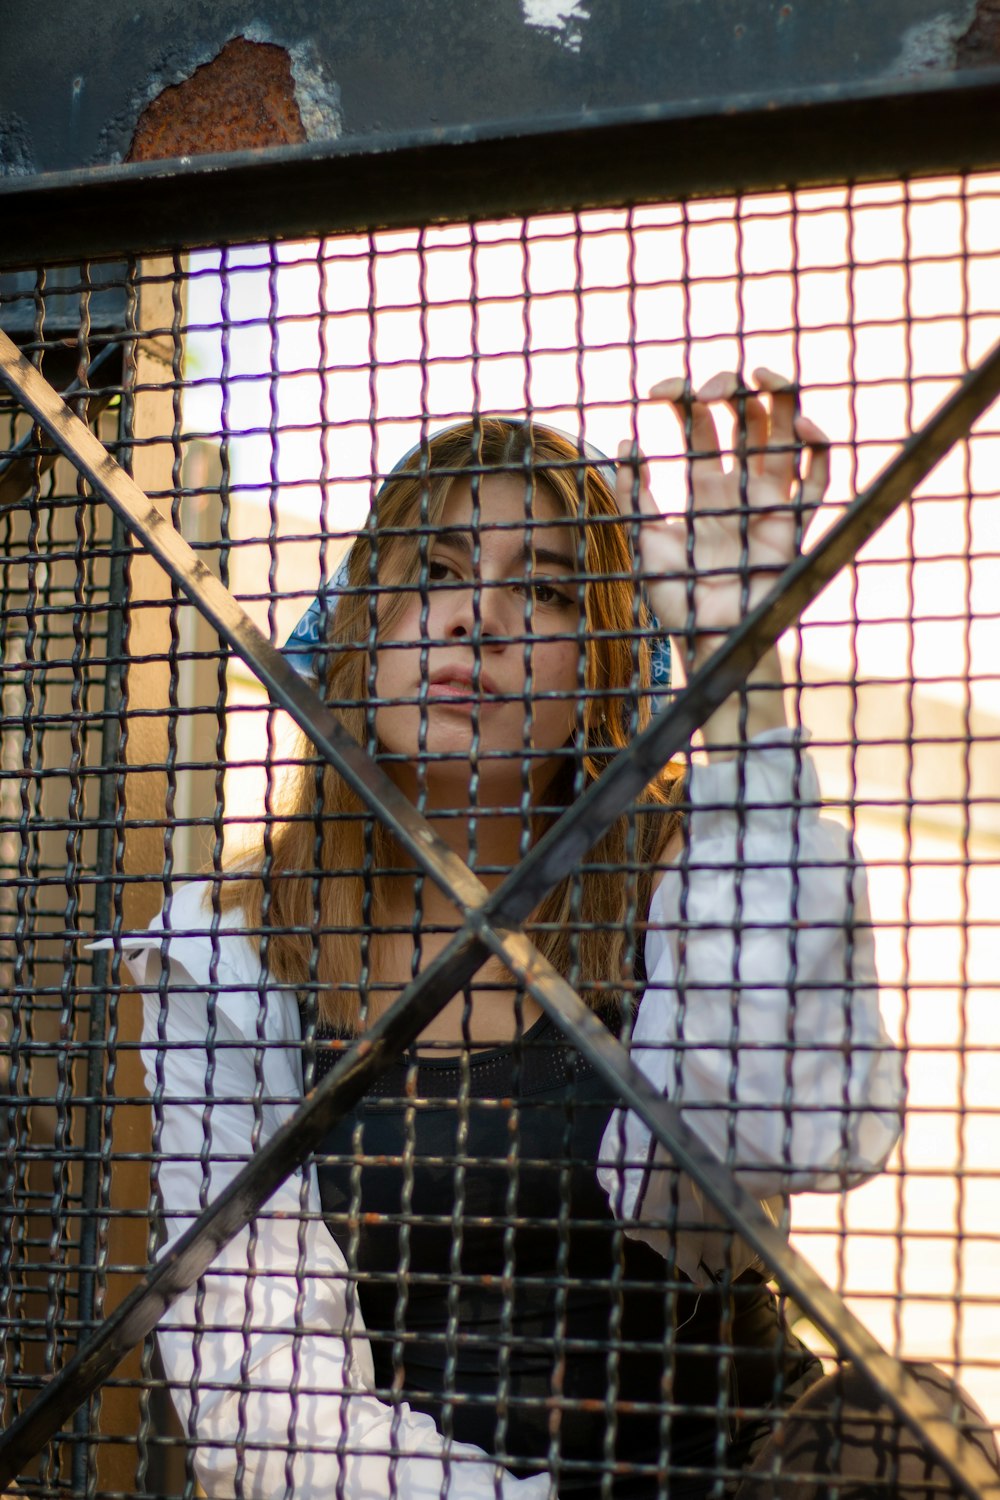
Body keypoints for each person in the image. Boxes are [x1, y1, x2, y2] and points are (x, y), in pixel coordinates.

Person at [115, 372, 974, 1498]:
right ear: (364, 625)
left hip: (740, 1475)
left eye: (549, 591)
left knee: (905, 1424)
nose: (480, 617)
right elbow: (261, 1393)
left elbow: (799, 1127)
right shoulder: (229, 951)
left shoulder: (684, 873)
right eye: (436, 573)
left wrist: (739, 674)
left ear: (603, 674)